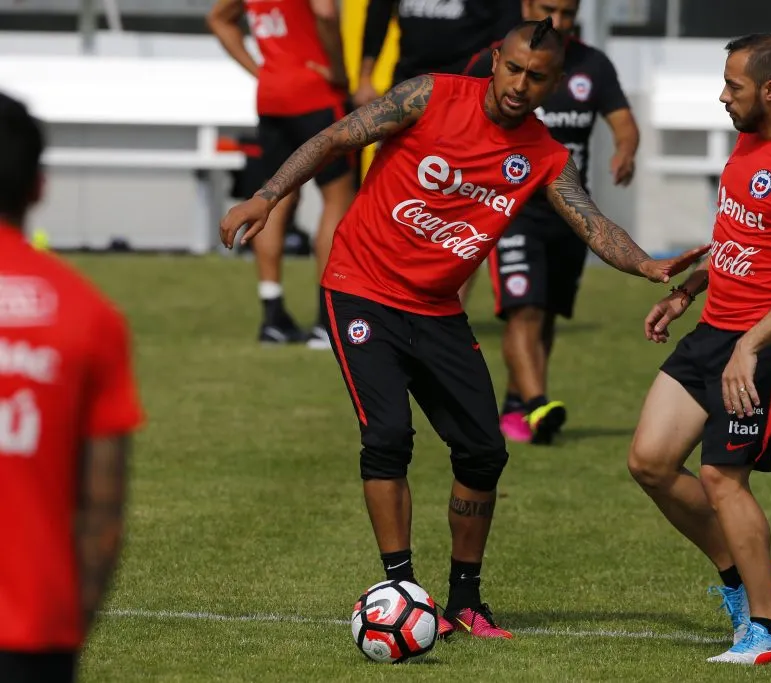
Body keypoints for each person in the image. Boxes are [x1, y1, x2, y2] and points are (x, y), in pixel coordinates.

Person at [220, 18, 708, 640]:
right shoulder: (430, 94)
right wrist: (266, 195)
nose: (520, 85)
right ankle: (401, 588)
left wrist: (646, 264)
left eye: (537, 77)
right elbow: (335, 137)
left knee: (483, 451)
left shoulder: (544, 155)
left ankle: (466, 602)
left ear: (554, 83)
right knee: (388, 436)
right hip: (361, 288)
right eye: (513, 69)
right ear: (496, 60)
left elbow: (592, 223)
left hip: (437, 309)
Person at [626, 33, 771, 665]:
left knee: (722, 477)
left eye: (734, 86)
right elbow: (738, 236)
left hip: (767, 343)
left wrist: (751, 344)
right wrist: (687, 292)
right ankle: (745, 574)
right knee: (650, 461)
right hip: (714, 330)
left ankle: (769, 633)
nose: (723, 96)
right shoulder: (748, 140)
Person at [0, 92, 144, 682]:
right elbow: (102, 513)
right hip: (35, 632)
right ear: (39, 186)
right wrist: (69, 630)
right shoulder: (88, 315)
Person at [460, 0, 640, 444]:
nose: (558, 21)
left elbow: (624, 122)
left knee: (546, 317)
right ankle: (539, 404)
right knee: (524, 309)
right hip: (512, 209)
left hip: (570, 214)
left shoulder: (593, 66)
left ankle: (518, 405)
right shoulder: (497, 59)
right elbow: (458, 116)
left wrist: (625, 150)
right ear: (526, 5)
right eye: (548, 9)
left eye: (567, 12)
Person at [208, 0, 357, 348]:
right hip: (316, 91)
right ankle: (327, 321)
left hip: (273, 95)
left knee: (273, 197)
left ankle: (272, 314)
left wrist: (261, 70)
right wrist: (338, 69)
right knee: (337, 198)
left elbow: (218, 19)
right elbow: (325, 12)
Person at [352, 0, 521, 108]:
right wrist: (365, 80)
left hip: (465, 89)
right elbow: (378, 15)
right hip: (408, 84)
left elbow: (507, 36)